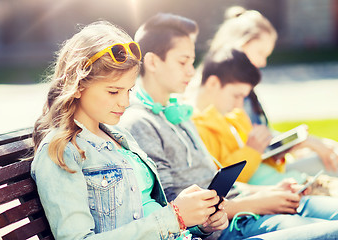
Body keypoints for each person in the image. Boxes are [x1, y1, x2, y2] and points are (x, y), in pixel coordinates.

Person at [119, 12, 338, 240]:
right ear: (153, 62)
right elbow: (173, 207)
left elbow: (216, 182)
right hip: (229, 226)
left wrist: (270, 192)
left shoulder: (179, 114)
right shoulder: (140, 122)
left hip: (243, 211)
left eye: (192, 62)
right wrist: (259, 203)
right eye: (183, 62)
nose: (192, 71)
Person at [31, 20, 229, 240]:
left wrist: (198, 221)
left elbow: (148, 210)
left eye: (129, 90)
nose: (125, 102)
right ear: (77, 86)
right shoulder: (62, 151)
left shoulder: (120, 136)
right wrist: (175, 217)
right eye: (114, 92)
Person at [196, 5, 338, 179]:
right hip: (254, 178)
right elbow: (231, 161)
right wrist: (300, 143)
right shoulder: (217, 94)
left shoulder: (242, 92)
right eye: (260, 52)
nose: (263, 62)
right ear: (238, 46)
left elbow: (260, 138)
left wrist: (297, 144)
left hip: (263, 168)